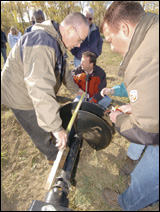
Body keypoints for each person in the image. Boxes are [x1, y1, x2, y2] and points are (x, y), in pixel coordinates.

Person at [1, 12, 89, 164]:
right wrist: (56, 128)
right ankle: (54, 158)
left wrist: (77, 91)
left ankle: (53, 141)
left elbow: (64, 73)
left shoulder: (55, 41)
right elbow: (39, 87)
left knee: (46, 118)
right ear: (70, 30)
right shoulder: (42, 43)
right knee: (40, 131)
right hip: (20, 95)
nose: (79, 44)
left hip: (31, 90)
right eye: (80, 39)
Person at [100, 1, 159, 211]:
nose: (111, 47)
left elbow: (146, 131)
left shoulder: (145, 57)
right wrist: (136, 107)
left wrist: (119, 119)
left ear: (124, 29)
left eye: (109, 40)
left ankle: (127, 202)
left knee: (148, 178)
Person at [101, 83, 146, 176]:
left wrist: (135, 108)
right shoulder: (137, 74)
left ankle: (132, 158)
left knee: (142, 129)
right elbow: (130, 87)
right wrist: (112, 90)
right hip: (145, 107)